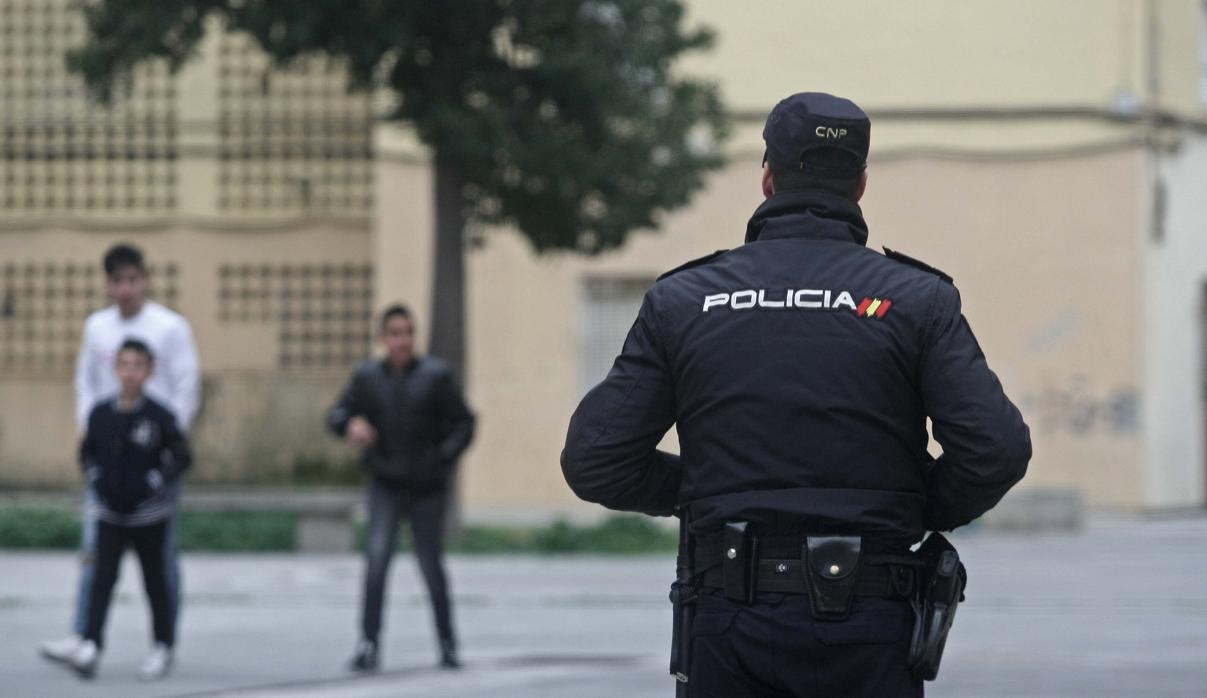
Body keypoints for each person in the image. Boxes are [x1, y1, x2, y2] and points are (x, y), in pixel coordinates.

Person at [562, 92, 1031, 697]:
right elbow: (996, 448)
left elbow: (595, 459)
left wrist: (707, 493)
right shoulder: (916, 301)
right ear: (860, 184)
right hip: (872, 622)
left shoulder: (684, 300)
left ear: (767, 177)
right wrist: (910, 508)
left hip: (729, 623)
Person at [40, 243, 201, 668]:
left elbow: (187, 387)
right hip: (110, 463)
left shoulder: (170, 328)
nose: (125, 289)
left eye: (132, 279)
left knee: (160, 561)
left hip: (153, 462)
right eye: (117, 281)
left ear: (145, 280)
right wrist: (96, 440)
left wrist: (162, 449)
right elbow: (86, 385)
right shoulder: (97, 328)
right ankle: (84, 636)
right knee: (95, 554)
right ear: (107, 285)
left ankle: (165, 643)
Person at [327, 303, 476, 672]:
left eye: (408, 333)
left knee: (431, 565)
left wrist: (442, 458)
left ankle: (447, 643)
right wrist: (350, 426)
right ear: (383, 338)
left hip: (427, 486)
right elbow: (336, 414)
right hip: (385, 483)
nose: (402, 341)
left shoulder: (435, 376)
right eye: (394, 334)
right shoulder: (367, 377)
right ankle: (368, 643)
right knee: (376, 561)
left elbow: (464, 424)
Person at [64, 339, 192, 679]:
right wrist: (96, 478)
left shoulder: (160, 416)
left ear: (149, 371)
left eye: (138, 366)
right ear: (116, 369)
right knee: (101, 578)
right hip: (109, 514)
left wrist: (155, 480)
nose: (130, 373)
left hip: (149, 516)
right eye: (124, 365)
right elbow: (87, 452)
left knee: (156, 581)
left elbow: (181, 456)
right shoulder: (101, 414)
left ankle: (162, 645)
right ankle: (90, 642)